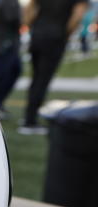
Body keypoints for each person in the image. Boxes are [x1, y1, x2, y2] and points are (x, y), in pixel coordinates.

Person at [19, 0, 90, 135]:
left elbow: (29, 10)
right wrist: (65, 33)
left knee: (36, 78)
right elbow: (78, 15)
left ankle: (29, 116)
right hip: (55, 37)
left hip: (37, 35)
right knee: (42, 80)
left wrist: (35, 25)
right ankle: (30, 121)